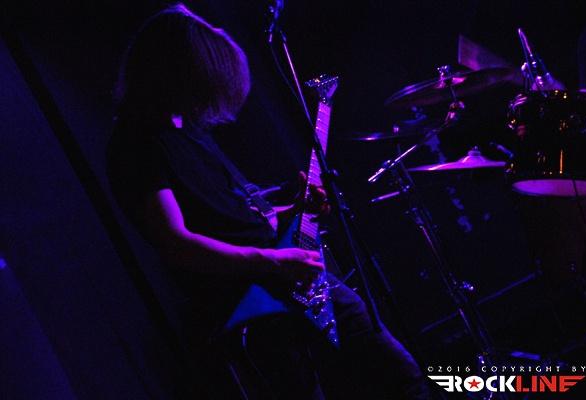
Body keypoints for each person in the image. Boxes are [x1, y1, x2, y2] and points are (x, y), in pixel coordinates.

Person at [107, 4, 428, 399]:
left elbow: (230, 218)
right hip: (251, 305)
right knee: (389, 379)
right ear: (176, 73)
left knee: (399, 377)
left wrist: (291, 206)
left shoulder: (187, 133)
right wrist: (273, 261)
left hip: (283, 281)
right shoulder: (135, 143)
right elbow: (177, 243)